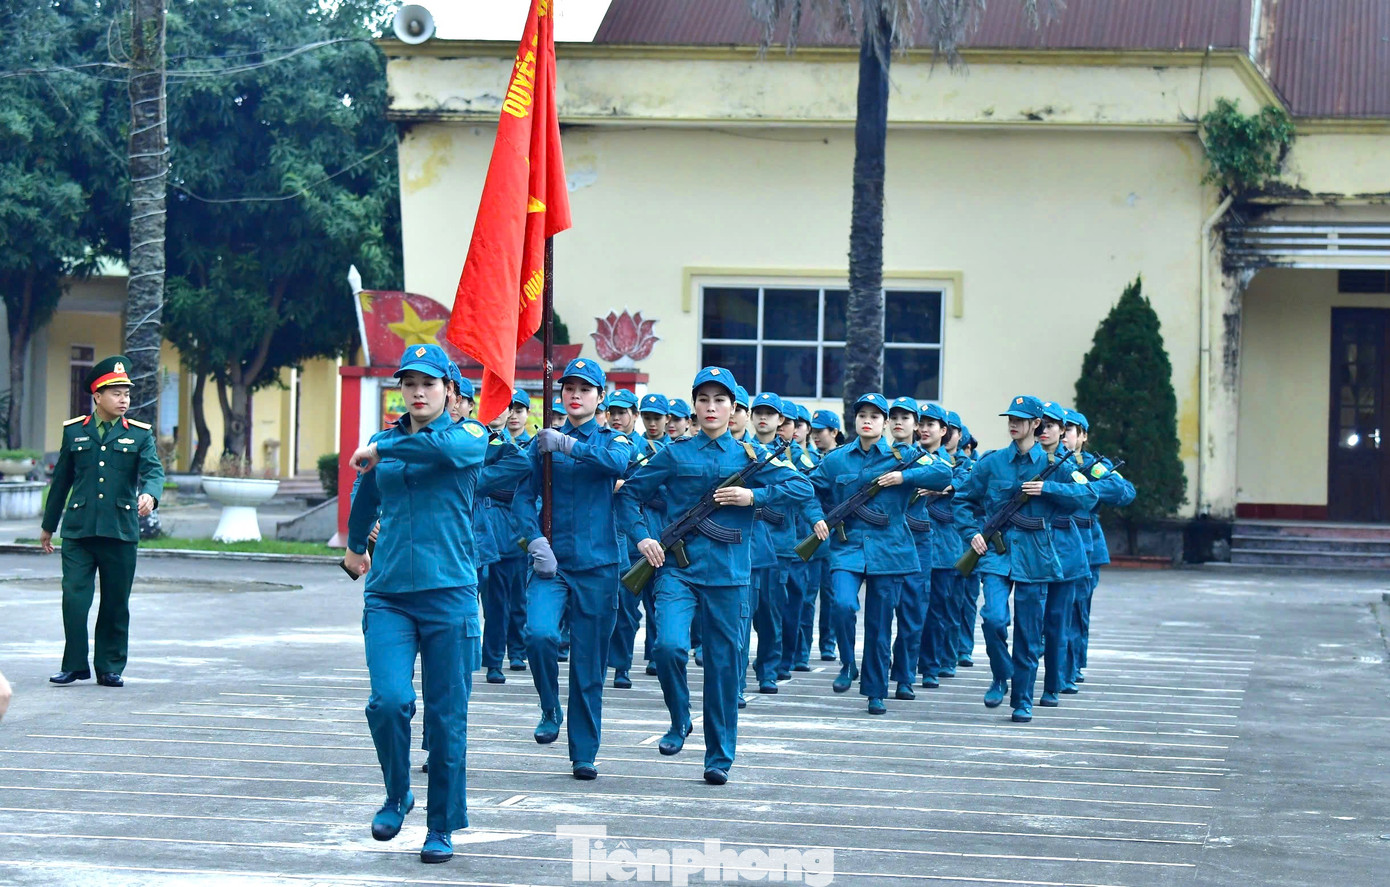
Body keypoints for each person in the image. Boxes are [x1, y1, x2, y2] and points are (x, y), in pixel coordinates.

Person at [617, 367, 812, 785]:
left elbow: (804, 490)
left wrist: (753, 495)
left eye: (720, 400)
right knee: (668, 647)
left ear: (733, 409)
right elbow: (630, 494)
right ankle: (679, 716)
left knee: (724, 666)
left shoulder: (751, 459)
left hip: (728, 573)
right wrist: (642, 539)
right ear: (694, 406)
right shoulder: (675, 453)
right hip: (678, 570)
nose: (711, 407)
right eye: (703, 399)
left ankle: (719, 756)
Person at [344, 343, 492, 864]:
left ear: (450, 391)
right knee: (387, 701)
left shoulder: (469, 435)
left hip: (448, 593)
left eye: (429, 384)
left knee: (448, 717)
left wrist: (384, 452)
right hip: (388, 595)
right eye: (409, 384)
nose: (418, 392)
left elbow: (447, 455)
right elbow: (366, 495)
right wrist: (356, 546)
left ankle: (441, 825)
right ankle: (397, 792)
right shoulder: (382, 442)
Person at [516, 358, 635, 781]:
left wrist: (567, 446)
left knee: (588, 666)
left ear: (600, 397)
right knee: (540, 634)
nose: (575, 394)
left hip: (599, 566)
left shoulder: (614, 440)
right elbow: (520, 497)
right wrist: (533, 539)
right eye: (569, 387)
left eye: (585, 389)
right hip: (554, 564)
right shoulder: (540, 443)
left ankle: (583, 752)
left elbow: (616, 466)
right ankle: (549, 705)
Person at [806, 393, 952, 714]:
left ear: (885, 424)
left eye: (875, 415)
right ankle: (847, 662)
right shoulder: (837, 459)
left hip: (890, 549)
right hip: (848, 547)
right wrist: (816, 517)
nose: (867, 420)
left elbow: (944, 474)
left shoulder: (906, 456)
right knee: (842, 605)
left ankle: (876, 690)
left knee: (880, 622)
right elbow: (809, 489)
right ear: (854, 421)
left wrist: (905, 476)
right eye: (862, 415)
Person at [40, 355, 164, 688]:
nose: (124, 399)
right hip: (79, 531)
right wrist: (48, 526)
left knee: (114, 603)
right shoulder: (74, 432)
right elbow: (61, 482)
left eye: (127, 393)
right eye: (116, 393)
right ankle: (75, 665)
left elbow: (154, 471)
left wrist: (150, 495)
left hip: (120, 531)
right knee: (74, 600)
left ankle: (110, 666)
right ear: (97, 396)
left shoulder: (139, 435)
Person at [956, 395, 1066, 724]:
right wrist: (969, 532)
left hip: (1036, 554)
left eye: (1020, 419)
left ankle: (1022, 699)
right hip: (996, 552)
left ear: (1036, 424)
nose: (1013, 424)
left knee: (1029, 632)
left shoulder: (1054, 465)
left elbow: (1090, 496)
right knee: (992, 617)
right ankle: (1000, 673)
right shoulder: (991, 463)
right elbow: (963, 500)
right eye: (1010, 419)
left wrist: (1048, 490)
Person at [1061, 409, 1135, 692]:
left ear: (1083, 436)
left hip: (1086, 538)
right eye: (1060, 428)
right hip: (1052, 536)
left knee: (1078, 606)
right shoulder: (1043, 460)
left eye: (1070, 429)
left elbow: (1124, 492)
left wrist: (1089, 488)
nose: (1064, 434)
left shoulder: (1093, 465)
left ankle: (1072, 665)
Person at [1034, 402, 1099, 711]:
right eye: (1040, 424)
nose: (1044, 430)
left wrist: (1050, 489)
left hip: (1072, 545)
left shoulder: (1079, 467)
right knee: (1031, 618)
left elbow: (1112, 491)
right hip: (1033, 546)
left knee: (1067, 618)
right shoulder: (1024, 460)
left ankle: (1062, 676)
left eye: (1055, 426)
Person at [605, 388, 660, 689]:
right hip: (602, 535)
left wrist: (626, 485)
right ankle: (601, 661)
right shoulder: (602, 443)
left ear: (634, 416)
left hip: (634, 538)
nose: (616, 417)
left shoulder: (648, 453)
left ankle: (621, 665)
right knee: (601, 606)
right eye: (612, 412)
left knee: (628, 608)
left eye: (623, 412)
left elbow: (661, 491)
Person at [912, 404, 971, 686]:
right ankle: (905, 662)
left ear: (943, 431)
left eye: (931, 425)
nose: (924, 429)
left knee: (939, 610)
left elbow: (970, 480)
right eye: (920, 423)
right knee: (907, 608)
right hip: (909, 543)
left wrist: (945, 486)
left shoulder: (956, 465)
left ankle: (933, 665)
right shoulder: (905, 459)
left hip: (945, 547)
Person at [797, 410, 843, 669]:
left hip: (840, 539)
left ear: (834, 433)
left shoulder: (842, 459)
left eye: (820, 431)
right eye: (812, 431)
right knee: (807, 596)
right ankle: (802, 651)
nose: (815, 436)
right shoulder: (811, 459)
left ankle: (828, 644)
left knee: (834, 597)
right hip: (815, 535)